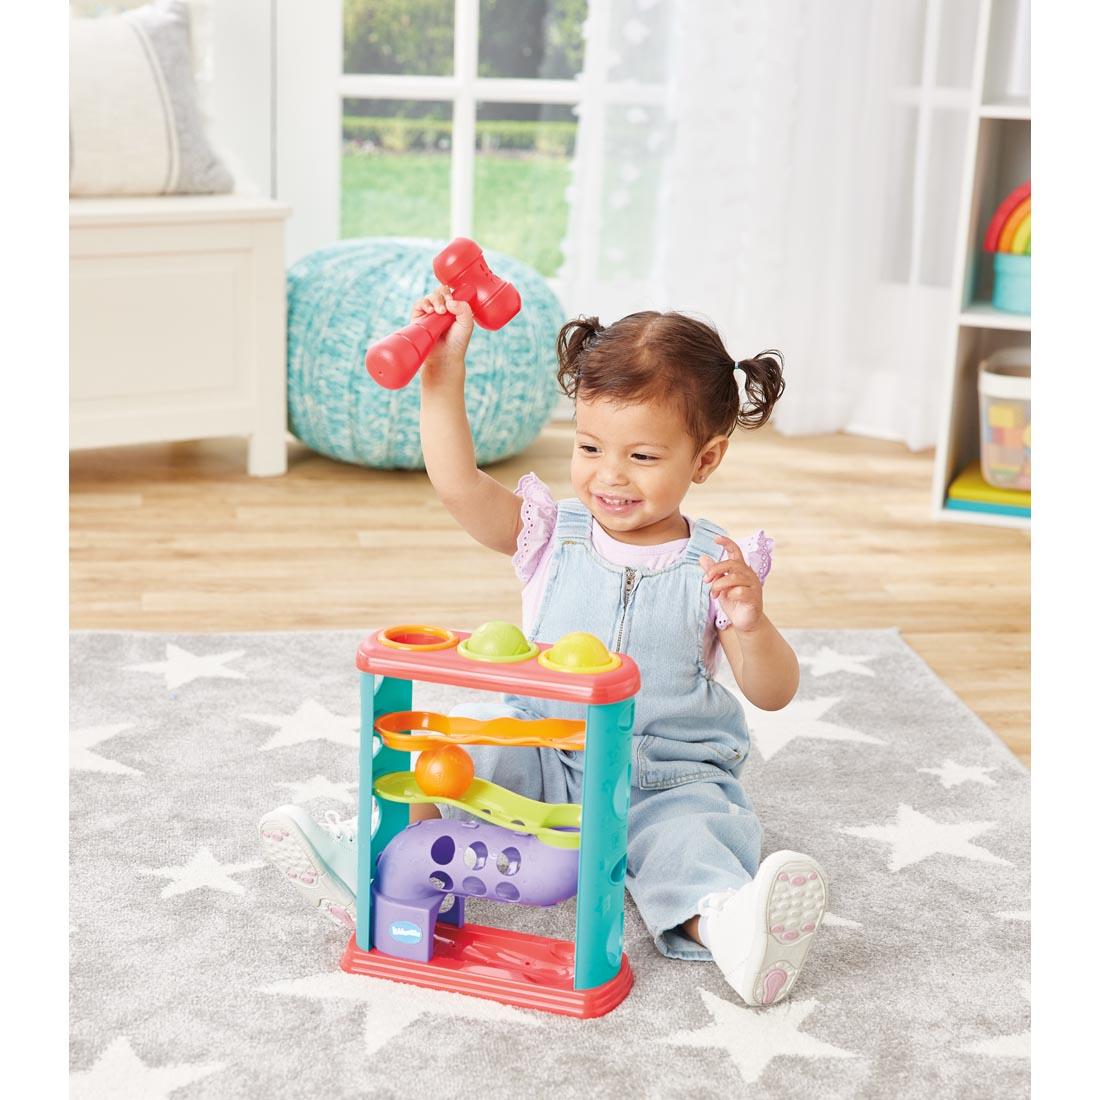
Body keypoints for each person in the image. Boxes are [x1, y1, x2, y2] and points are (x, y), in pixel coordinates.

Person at [260, 290, 827, 1007]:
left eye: (643, 456)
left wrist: (752, 624)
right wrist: (443, 381)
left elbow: (773, 691)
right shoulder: (548, 534)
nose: (610, 475)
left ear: (705, 459)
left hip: (663, 777)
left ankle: (732, 930)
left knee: (692, 846)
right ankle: (364, 860)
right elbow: (457, 484)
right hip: (541, 748)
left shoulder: (717, 564)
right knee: (452, 763)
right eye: (589, 448)